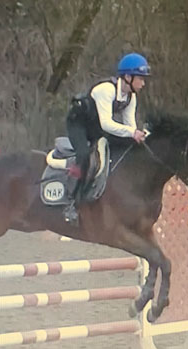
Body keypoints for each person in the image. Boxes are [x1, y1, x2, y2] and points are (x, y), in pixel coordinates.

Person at [63, 52, 150, 225]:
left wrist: (138, 135)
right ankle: (72, 203)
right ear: (128, 77)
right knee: (84, 155)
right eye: (140, 78)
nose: (143, 83)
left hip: (95, 127)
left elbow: (130, 126)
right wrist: (132, 133)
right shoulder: (106, 90)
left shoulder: (131, 97)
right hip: (78, 124)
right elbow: (107, 124)